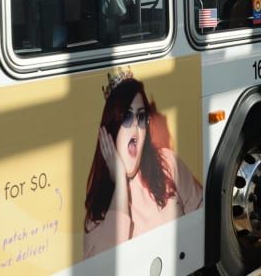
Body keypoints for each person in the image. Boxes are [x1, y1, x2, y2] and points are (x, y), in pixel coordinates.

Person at [83, 67, 203, 257]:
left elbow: (203, 216)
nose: (136, 127)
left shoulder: (167, 162)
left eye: (141, 117)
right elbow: (107, 265)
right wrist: (120, 185)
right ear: (111, 129)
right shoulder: (98, 209)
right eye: (127, 117)